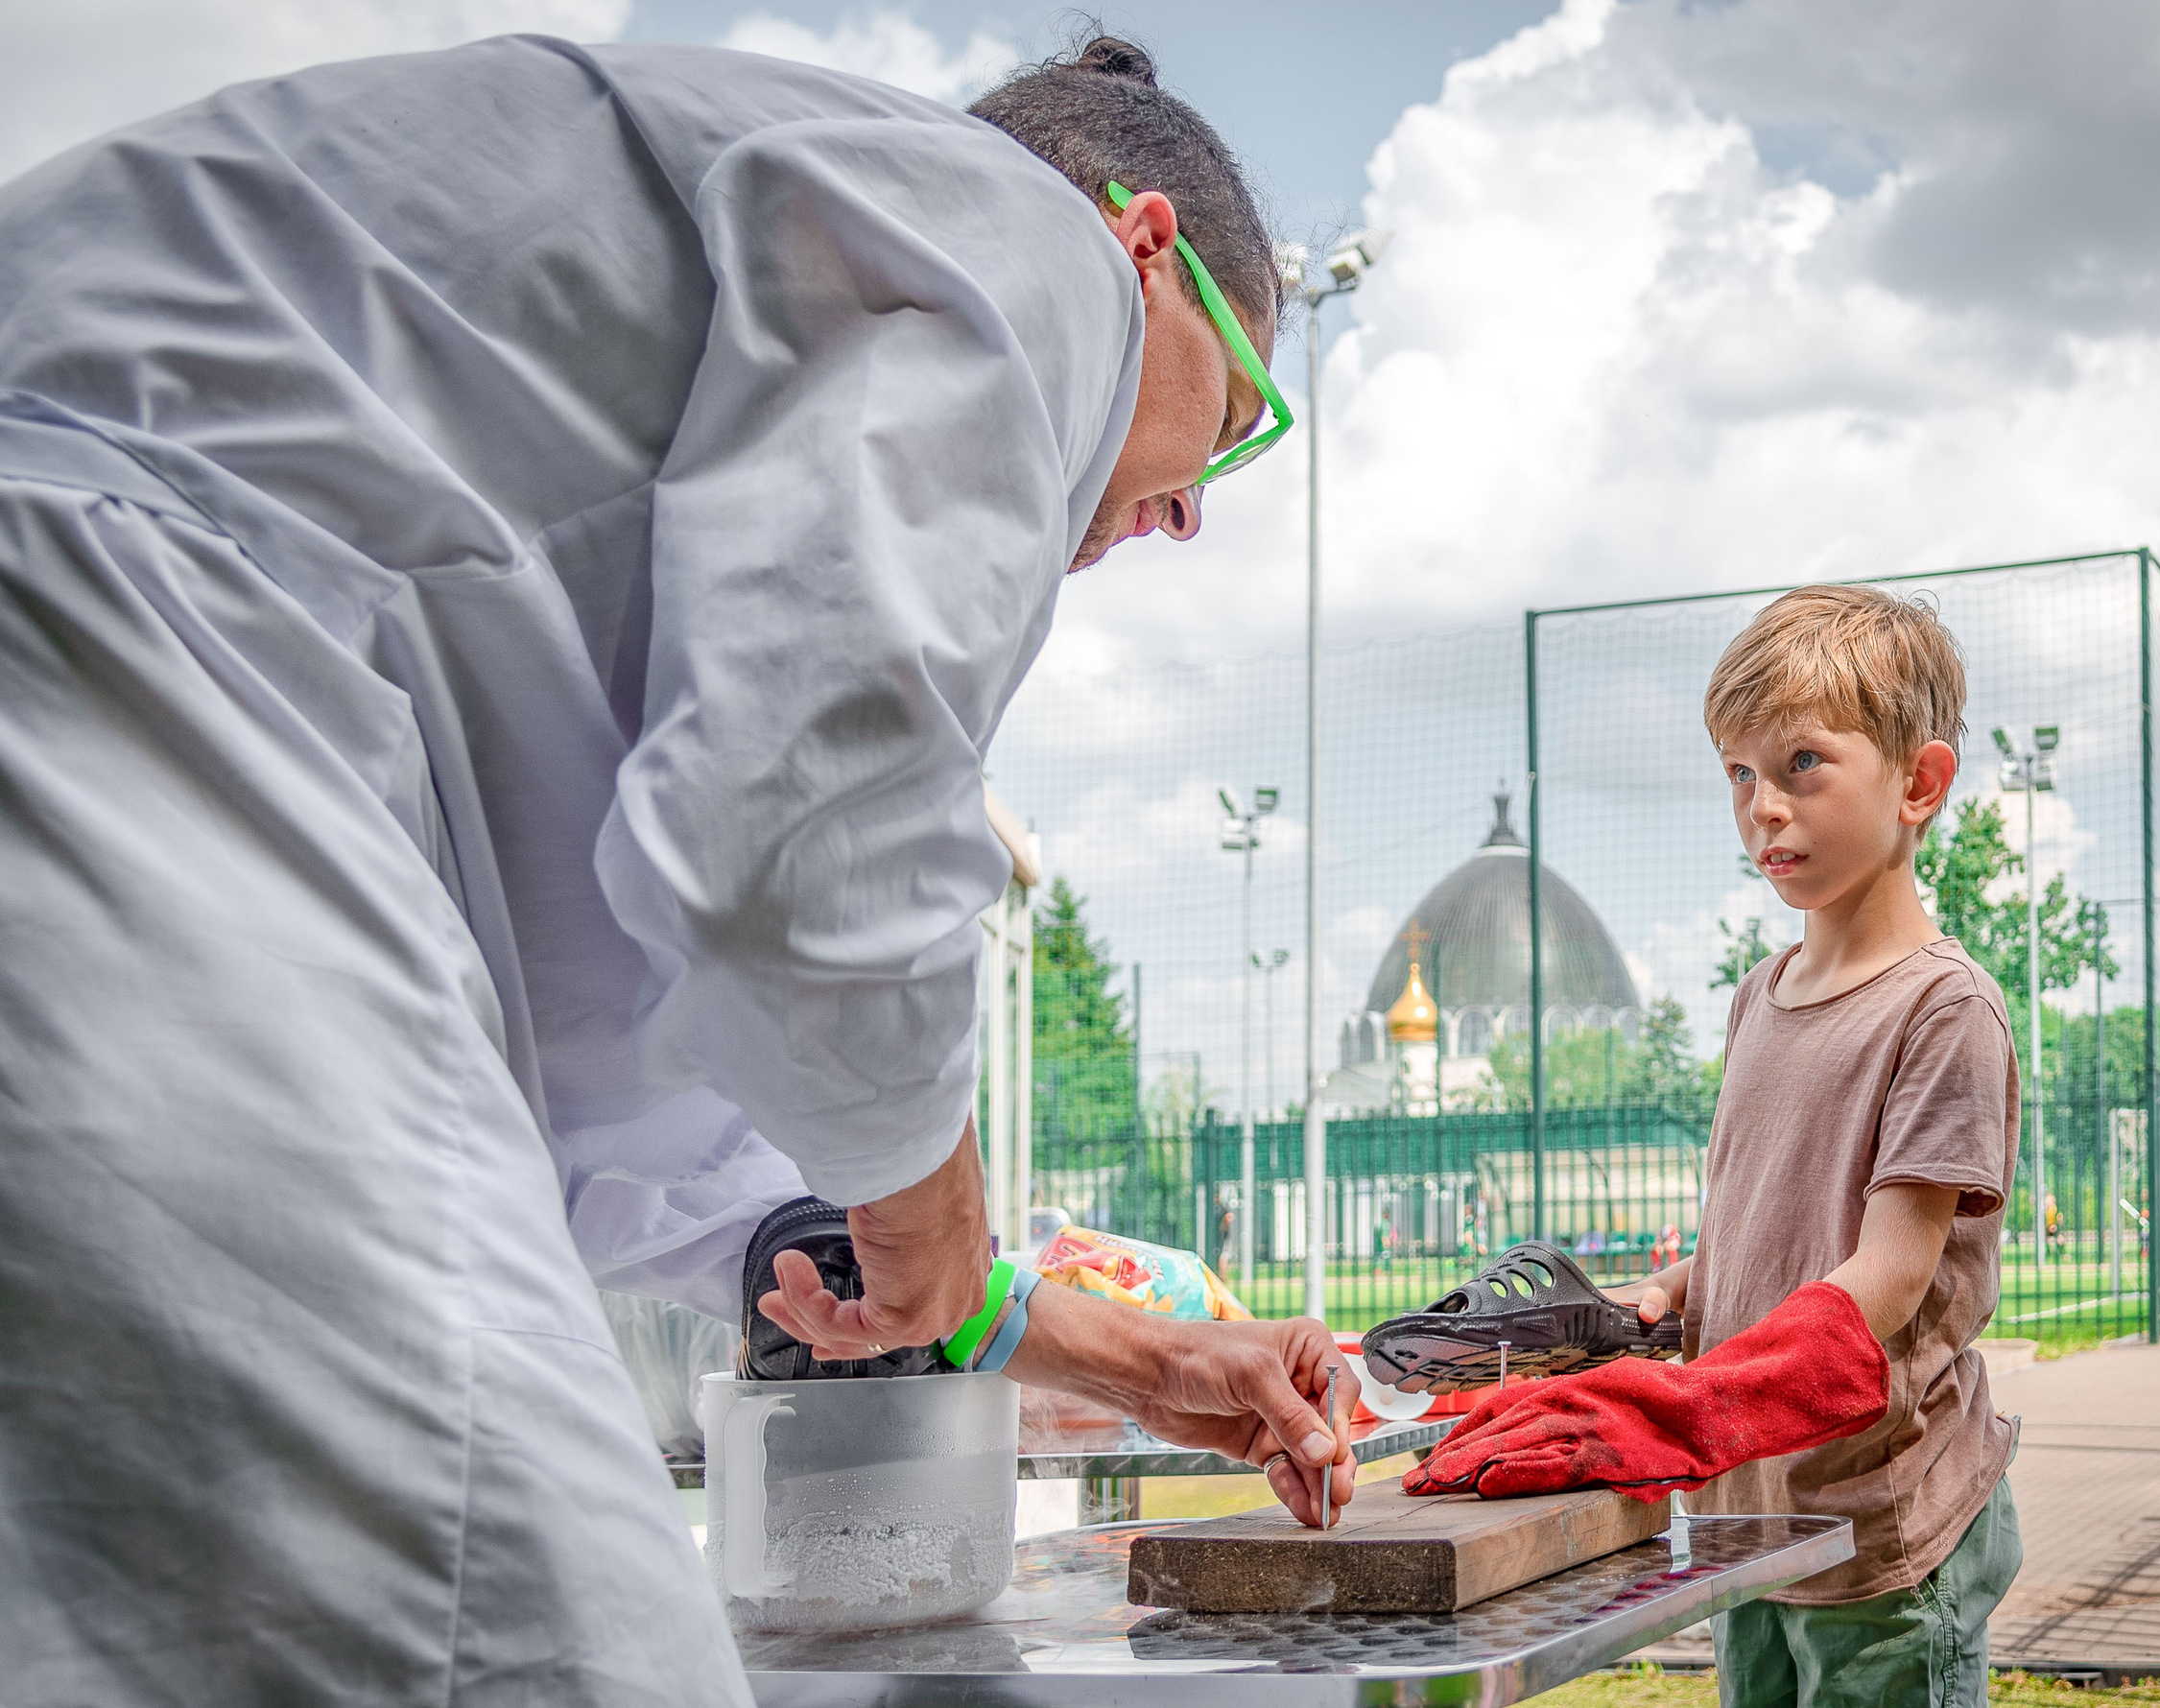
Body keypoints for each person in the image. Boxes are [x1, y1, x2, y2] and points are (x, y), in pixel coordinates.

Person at [0, 33, 1354, 1708]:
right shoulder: (1028, 236)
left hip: (103, 694)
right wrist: (933, 1212)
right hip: (95, 656)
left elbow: (610, 1050)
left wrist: (1097, 1343)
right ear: (1142, 244)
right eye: (1233, 417)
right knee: (532, 1623)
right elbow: (817, 809)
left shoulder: (611, 401)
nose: (1190, 513)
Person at [1407, 587, 2021, 1708]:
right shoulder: (1757, 998)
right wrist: (1668, 1295)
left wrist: (1668, 1407)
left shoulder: (1943, 1009)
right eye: (1739, 772)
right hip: (1749, 1508)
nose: (1762, 807)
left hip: (1885, 1525)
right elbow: (1770, 1229)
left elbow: (1888, 1276)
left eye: (1801, 764)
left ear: (1919, 784)